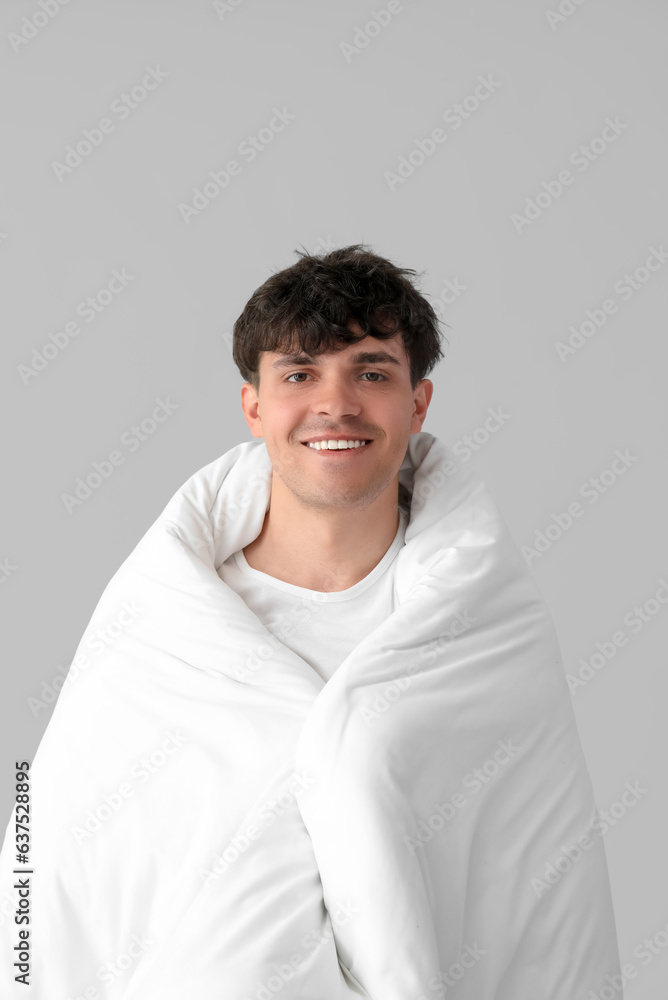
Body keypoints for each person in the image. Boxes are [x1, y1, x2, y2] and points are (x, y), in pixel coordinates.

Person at [0, 244, 622, 999]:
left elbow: (544, 903)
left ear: (417, 403)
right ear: (254, 406)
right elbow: (53, 879)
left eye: (370, 372)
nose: (337, 404)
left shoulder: (488, 632)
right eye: (300, 373)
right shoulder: (156, 632)